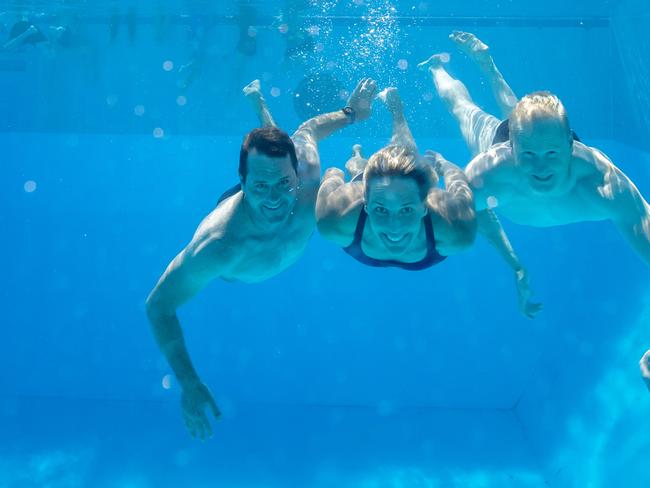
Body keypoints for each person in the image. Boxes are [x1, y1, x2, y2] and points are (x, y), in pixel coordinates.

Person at [146, 78, 377, 440]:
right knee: (274, 149)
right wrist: (188, 382)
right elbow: (158, 306)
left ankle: (259, 105)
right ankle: (258, 108)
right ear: (241, 179)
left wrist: (352, 114)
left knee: (283, 138)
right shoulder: (219, 245)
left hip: (283, 207)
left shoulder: (307, 176)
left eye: (284, 184)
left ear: (296, 175)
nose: (273, 200)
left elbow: (309, 129)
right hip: (240, 259)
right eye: (259, 187)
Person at [419, 31, 650, 317]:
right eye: (528, 155)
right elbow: (453, 220)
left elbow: (644, 222)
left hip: (534, 139)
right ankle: (436, 67)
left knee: (523, 118)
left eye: (552, 154)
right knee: (463, 109)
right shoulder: (489, 172)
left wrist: (517, 268)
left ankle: (488, 65)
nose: (541, 168)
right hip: (506, 141)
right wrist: (514, 264)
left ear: (571, 144)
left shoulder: (602, 183)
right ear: (511, 148)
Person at [316, 87, 476, 270]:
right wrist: (334, 174)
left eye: (406, 210)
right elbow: (332, 173)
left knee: (408, 153)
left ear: (425, 206)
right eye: (381, 210)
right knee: (358, 172)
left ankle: (397, 110)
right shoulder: (334, 217)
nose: (394, 227)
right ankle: (358, 161)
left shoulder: (457, 228)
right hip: (366, 192)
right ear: (365, 204)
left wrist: (444, 165)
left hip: (388, 193)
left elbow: (459, 183)